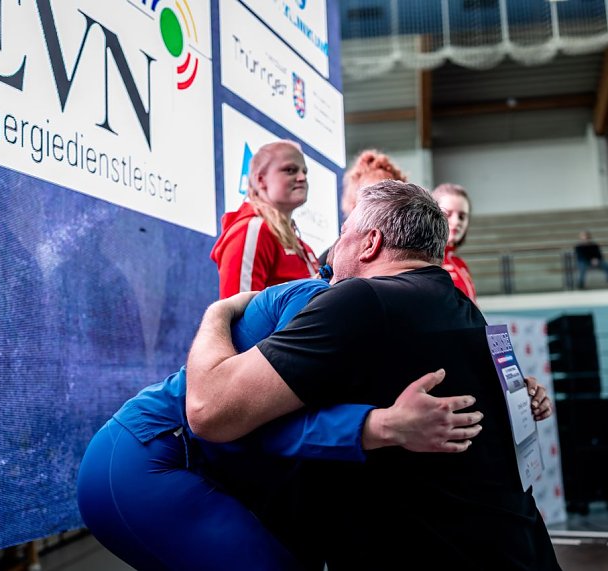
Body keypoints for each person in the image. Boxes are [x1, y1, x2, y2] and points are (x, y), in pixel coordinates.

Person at [187, 180, 561, 570]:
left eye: (344, 233)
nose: (333, 249)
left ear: (370, 243)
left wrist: (217, 313)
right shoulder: (461, 307)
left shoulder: (360, 301)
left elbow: (208, 411)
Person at [77, 272, 500, 570]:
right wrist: (380, 426)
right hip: (150, 455)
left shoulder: (385, 315)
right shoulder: (319, 299)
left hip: (203, 461)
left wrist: (515, 389)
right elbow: (255, 424)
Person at [211, 141, 319, 298]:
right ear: (261, 180)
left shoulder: (304, 248)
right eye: (290, 170)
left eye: (305, 172)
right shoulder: (252, 230)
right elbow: (237, 314)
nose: (302, 177)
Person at [318, 149, 407, 266]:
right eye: (370, 195)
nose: (379, 203)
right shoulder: (332, 259)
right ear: (353, 204)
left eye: (388, 194)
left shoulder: (409, 252)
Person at [432, 182, 477, 302]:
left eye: (462, 216)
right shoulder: (424, 263)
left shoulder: (461, 264)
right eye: (447, 214)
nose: (456, 222)